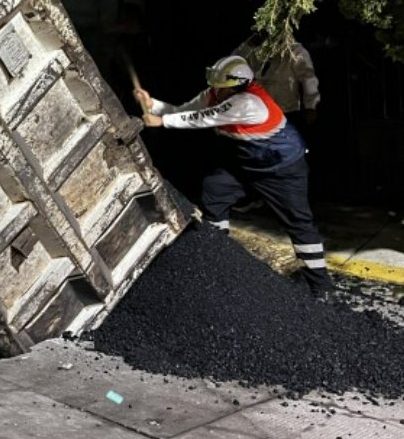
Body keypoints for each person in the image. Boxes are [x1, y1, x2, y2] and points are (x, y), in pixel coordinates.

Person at [134, 55, 335, 297]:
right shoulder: (214, 94)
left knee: (298, 222)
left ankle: (321, 287)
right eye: (215, 85)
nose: (216, 90)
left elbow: (202, 118)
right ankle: (221, 258)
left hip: (282, 170)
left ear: (237, 86)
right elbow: (184, 111)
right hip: (247, 165)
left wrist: (162, 121)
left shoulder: (248, 103)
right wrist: (153, 104)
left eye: (222, 86)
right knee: (215, 189)